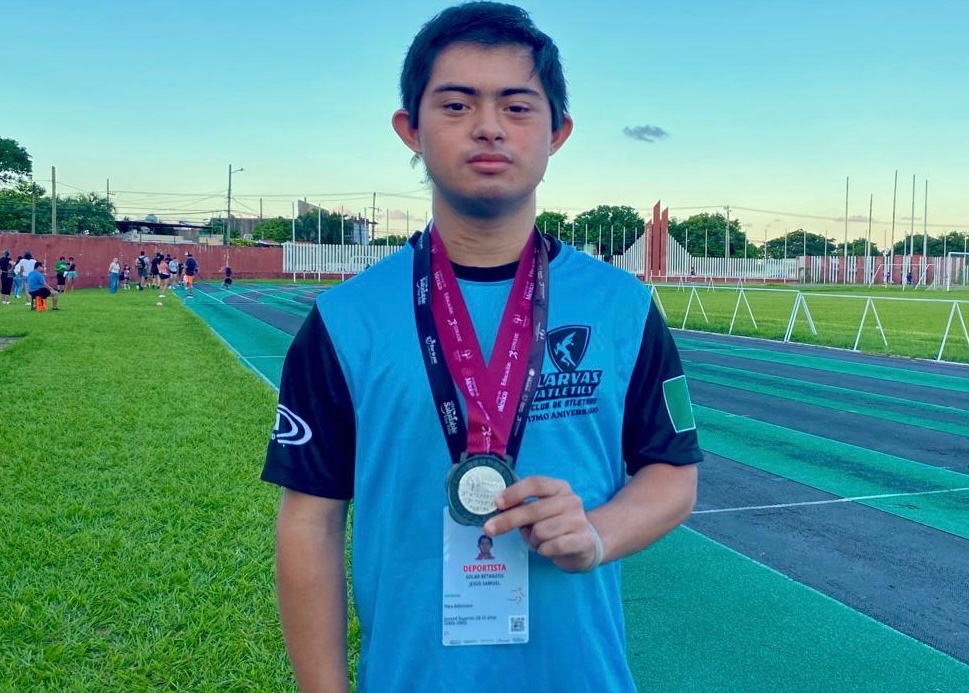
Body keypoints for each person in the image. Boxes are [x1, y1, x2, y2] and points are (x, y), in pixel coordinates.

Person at [261, 4, 701, 692]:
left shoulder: (623, 307)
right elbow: (310, 520)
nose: (489, 126)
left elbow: (672, 472)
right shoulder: (345, 320)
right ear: (411, 128)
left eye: (517, 106)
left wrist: (597, 534)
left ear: (557, 132)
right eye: (457, 104)